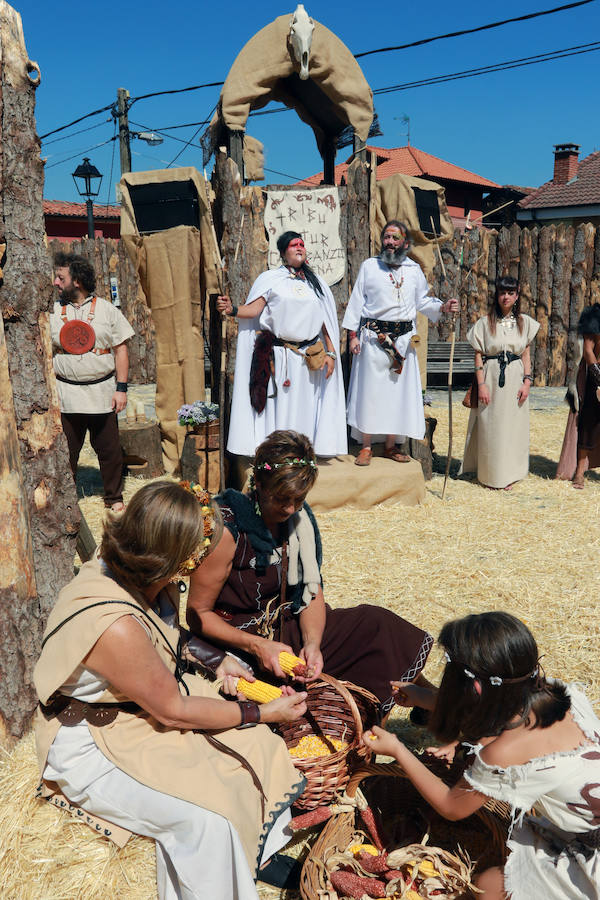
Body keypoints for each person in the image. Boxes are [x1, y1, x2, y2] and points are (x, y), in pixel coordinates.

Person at [34, 480, 309, 900]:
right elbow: (173, 711)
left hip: (133, 709)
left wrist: (220, 661)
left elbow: (167, 632)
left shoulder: (129, 570)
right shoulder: (116, 626)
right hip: (93, 737)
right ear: (176, 561)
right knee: (205, 820)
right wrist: (263, 713)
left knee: (258, 748)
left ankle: (257, 857)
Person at [186, 429, 434, 715]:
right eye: (282, 499)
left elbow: (311, 592)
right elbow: (197, 615)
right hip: (239, 645)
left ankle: (427, 700)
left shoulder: (299, 521)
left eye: (299, 499)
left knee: (376, 624)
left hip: (286, 630)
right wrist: (257, 646)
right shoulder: (226, 529)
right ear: (260, 485)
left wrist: (313, 644)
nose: (291, 509)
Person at [363, 611, 600, 900]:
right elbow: (492, 705)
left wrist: (398, 749)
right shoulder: (553, 690)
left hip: (590, 850)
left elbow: (452, 807)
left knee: (488, 886)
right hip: (583, 826)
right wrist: (424, 697)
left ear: (473, 687)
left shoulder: (505, 752)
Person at [217, 231, 347, 458]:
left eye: (302, 244)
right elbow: (254, 310)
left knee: (305, 406)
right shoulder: (270, 279)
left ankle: (302, 453)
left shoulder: (316, 285)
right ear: (283, 252)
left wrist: (332, 354)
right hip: (280, 356)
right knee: (280, 405)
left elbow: (326, 322)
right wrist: (233, 310)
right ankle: (278, 453)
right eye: (293, 245)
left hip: (309, 358)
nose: (299, 247)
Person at [342, 220, 459, 466]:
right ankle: (365, 446)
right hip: (374, 340)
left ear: (405, 242)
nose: (391, 242)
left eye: (396, 238)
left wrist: (443, 306)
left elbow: (424, 302)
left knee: (396, 396)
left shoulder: (414, 270)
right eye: (387, 237)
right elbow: (355, 303)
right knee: (370, 395)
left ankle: (390, 445)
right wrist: (352, 336)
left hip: (403, 344)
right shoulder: (369, 267)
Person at [50, 252, 134, 511]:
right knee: (67, 454)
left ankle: (114, 498)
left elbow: (121, 350)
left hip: (102, 392)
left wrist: (121, 389)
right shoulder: (51, 311)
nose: (55, 282)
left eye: (60, 277)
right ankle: (66, 502)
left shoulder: (107, 310)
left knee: (109, 451)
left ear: (76, 280)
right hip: (66, 394)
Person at [460, 276, 539, 490]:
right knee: (491, 425)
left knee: (512, 427)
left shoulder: (525, 323)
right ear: (497, 294)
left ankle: (510, 473)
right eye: (503, 292)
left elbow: (526, 355)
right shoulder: (485, 323)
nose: (506, 297)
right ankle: (491, 475)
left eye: (511, 293)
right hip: (492, 378)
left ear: (517, 295)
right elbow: (478, 357)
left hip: (515, 379)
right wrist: (482, 384)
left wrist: (527, 382)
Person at [556, 303, 600, 488]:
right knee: (588, 424)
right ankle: (580, 471)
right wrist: (598, 379)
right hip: (594, 373)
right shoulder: (594, 314)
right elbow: (588, 350)